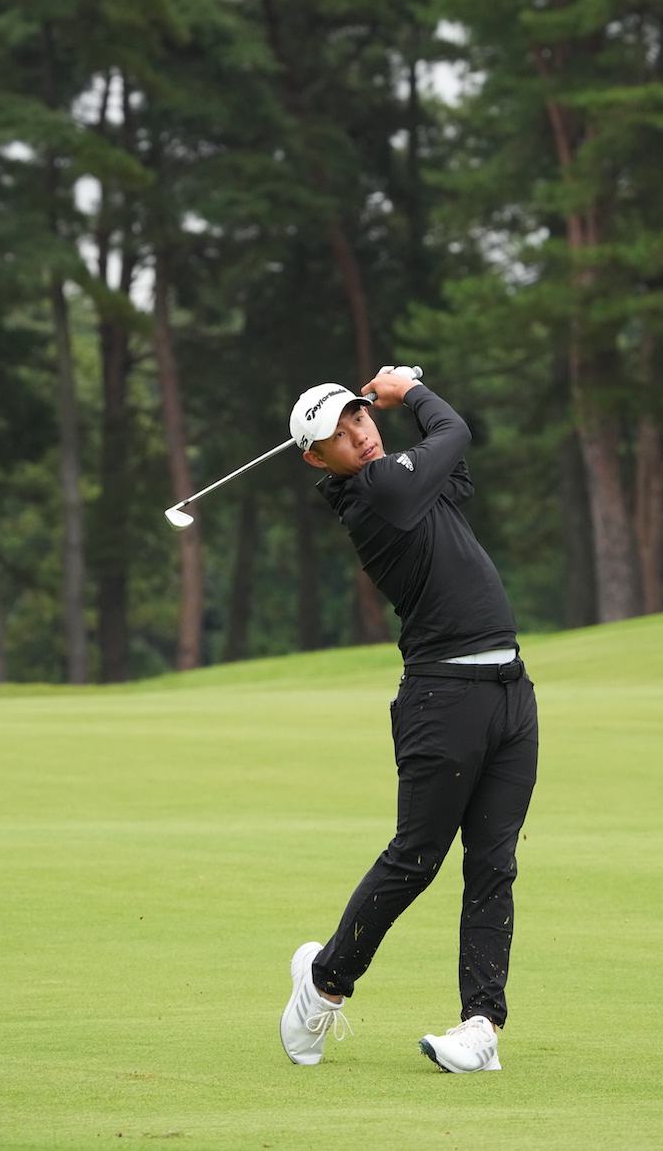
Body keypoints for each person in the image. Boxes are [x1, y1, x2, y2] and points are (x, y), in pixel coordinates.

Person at [279, 367, 539, 1073]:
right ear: (317, 459)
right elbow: (454, 431)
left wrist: (406, 403)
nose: (360, 435)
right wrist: (408, 390)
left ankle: (481, 1026)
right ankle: (323, 986)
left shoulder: (405, 482)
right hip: (442, 697)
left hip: (510, 691)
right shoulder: (374, 492)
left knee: (494, 865)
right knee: (417, 858)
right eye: (339, 435)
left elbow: (452, 461)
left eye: (361, 418)